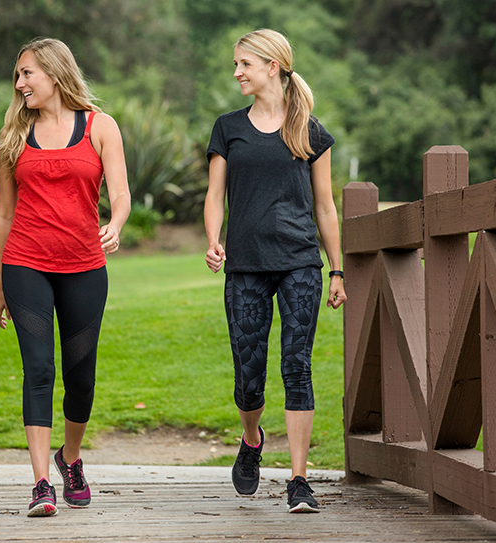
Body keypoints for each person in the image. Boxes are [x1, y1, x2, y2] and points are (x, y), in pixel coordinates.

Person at [203, 28, 346, 514]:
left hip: (300, 263)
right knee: (249, 377)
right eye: (237, 64)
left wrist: (337, 270)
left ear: (273, 66)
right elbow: (214, 196)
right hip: (244, 265)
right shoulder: (228, 127)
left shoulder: (310, 130)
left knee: (297, 366)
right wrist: (213, 240)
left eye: (244, 63)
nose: (237, 71)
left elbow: (325, 208)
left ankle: (299, 480)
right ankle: (252, 437)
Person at [0, 37, 131, 517]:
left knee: (80, 375)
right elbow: (4, 214)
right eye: (18, 75)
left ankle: (69, 459)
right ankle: (41, 484)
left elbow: (122, 193)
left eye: (27, 73)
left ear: (54, 73)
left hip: (84, 266)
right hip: (25, 263)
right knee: (39, 369)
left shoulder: (99, 126)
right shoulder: (14, 131)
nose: (20, 82)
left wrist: (115, 223)